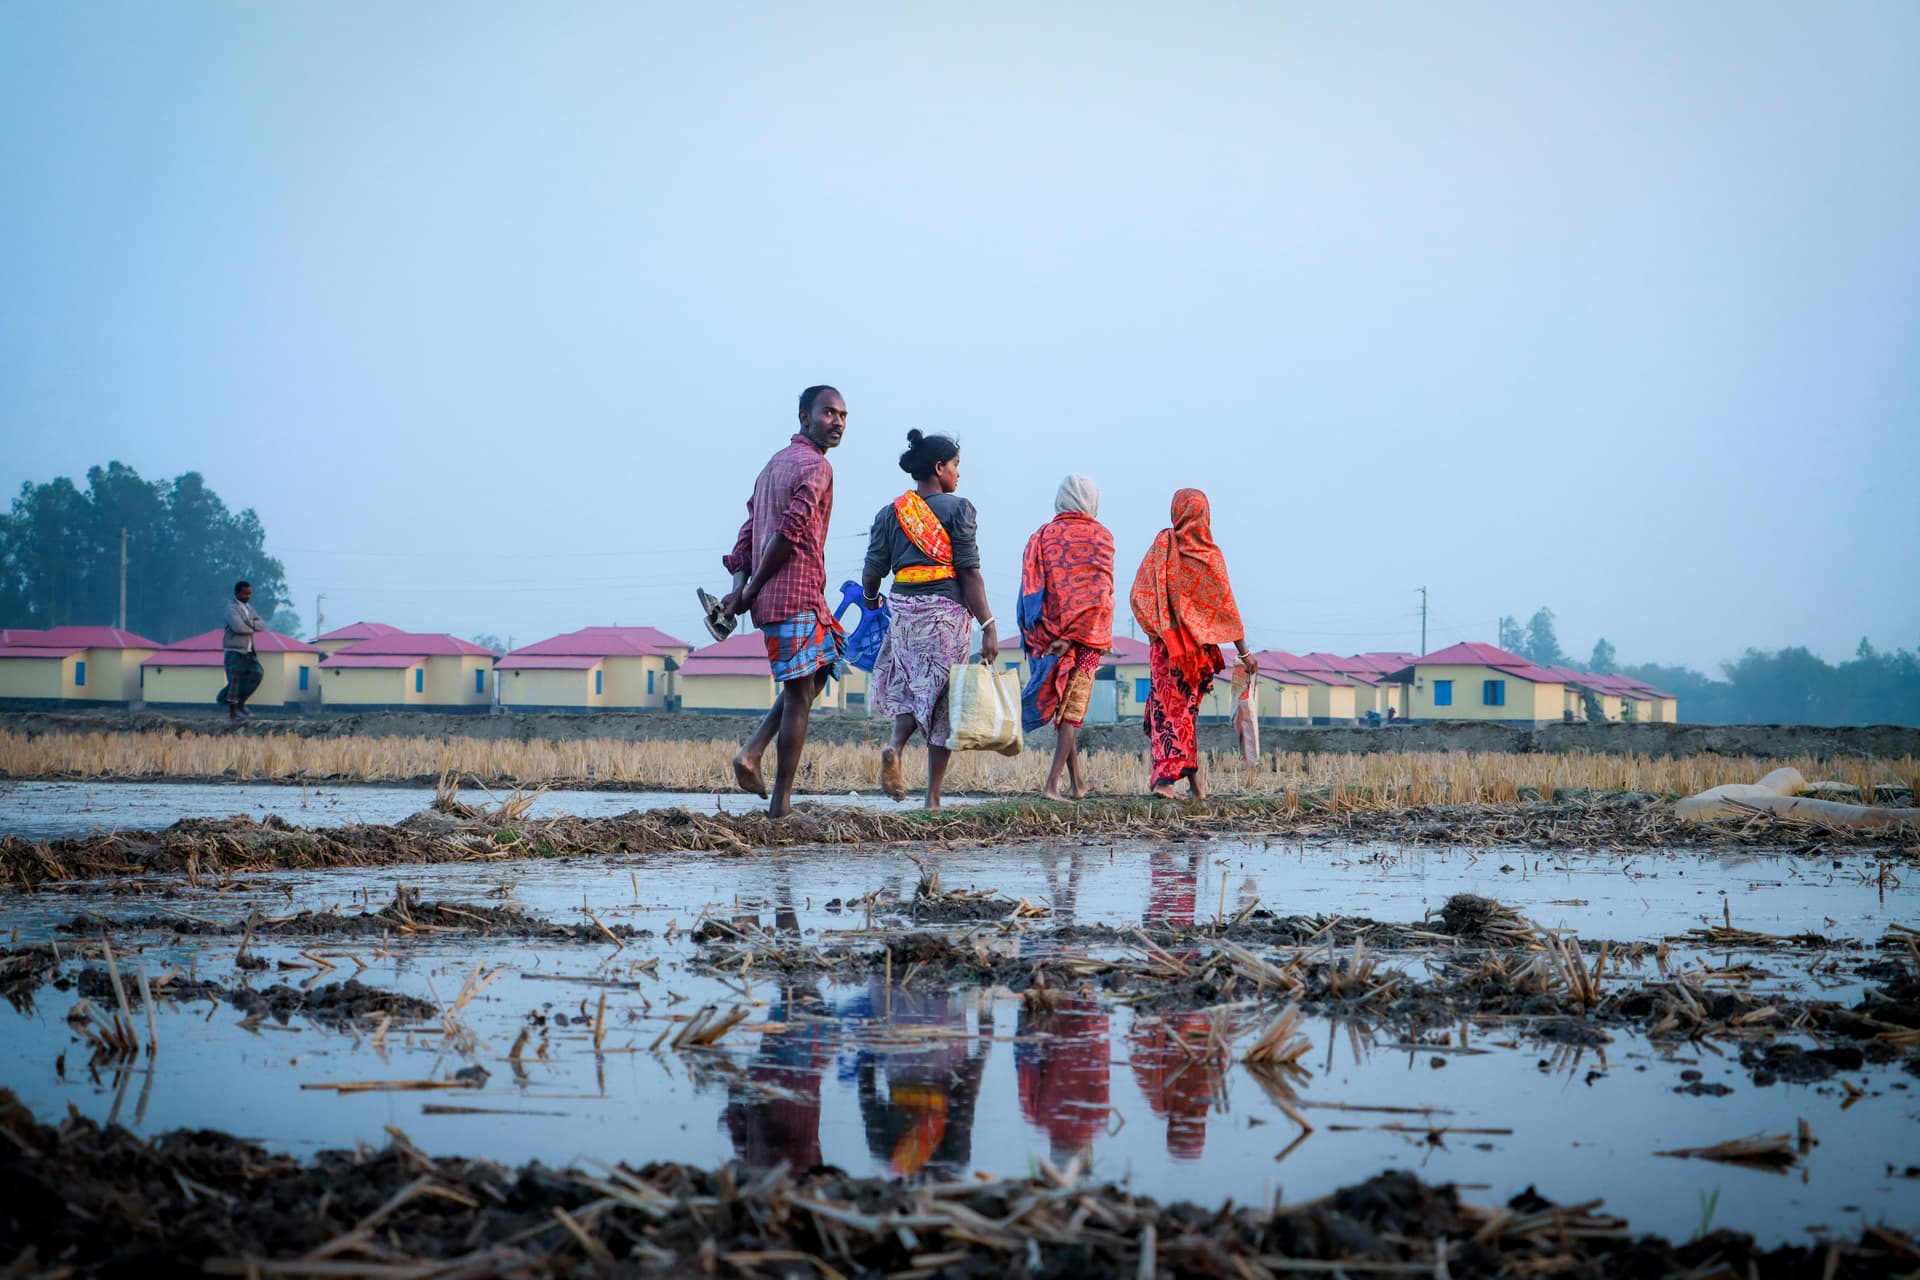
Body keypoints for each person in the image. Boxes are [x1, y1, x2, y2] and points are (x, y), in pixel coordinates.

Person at [720, 385, 849, 818]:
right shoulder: (815, 468)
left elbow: (748, 530)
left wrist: (741, 587)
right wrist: (749, 588)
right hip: (793, 594)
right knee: (799, 695)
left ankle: (753, 751)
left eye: (843, 416)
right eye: (828, 413)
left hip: (792, 596)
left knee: (816, 675)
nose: (837, 422)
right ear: (803, 417)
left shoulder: (774, 464)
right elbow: (787, 534)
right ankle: (780, 805)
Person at [862, 430, 997, 809]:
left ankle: (896, 747)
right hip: (946, 615)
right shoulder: (959, 509)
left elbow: (872, 572)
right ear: (939, 468)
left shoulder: (890, 513)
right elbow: (969, 572)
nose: (958, 474)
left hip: (903, 612)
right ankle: (933, 798)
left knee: (909, 688)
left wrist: (872, 603)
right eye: (955, 465)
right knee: (941, 702)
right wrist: (988, 624)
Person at [1128, 489, 1255, 799]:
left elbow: (1138, 597)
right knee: (1183, 716)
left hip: (1168, 651)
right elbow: (1227, 610)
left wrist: (1160, 630)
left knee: (1172, 716)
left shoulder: (1162, 548)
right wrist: (1244, 652)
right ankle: (1167, 783)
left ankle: (1190, 784)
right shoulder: (1210, 556)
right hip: (1196, 655)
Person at [1017, 474, 1114, 801]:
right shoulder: (1101, 537)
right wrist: (1074, 636)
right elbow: (1098, 594)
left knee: (1065, 711)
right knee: (1072, 712)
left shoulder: (1043, 535)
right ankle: (1052, 785)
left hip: (1047, 637)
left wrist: (1052, 634)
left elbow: (1031, 588)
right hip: (1086, 639)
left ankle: (1077, 784)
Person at [220, 580, 268, 723]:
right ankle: (233, 714)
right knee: (235, 681)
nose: (248, 596)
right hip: (235, 650)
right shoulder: (231, 608)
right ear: (237, 593)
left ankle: (241, 703)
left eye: (250, 593)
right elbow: (238, 627)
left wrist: (249, 624)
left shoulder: (250, 608)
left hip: (249, 650)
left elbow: (262, 625)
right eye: (245, 593)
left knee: (257, 673)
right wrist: (252, 626)